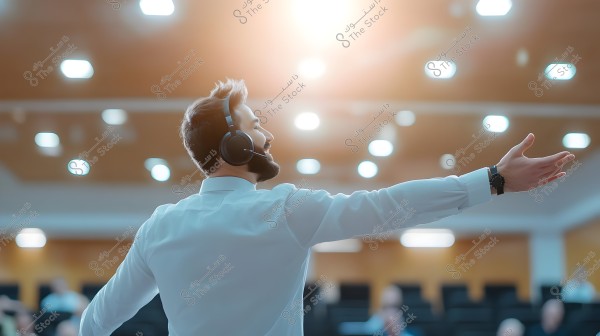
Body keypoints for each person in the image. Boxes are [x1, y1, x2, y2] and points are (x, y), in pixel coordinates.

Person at [79, 78, 576, 335]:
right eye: (255, 125)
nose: (267, 133)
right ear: (232, 147)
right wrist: (490, 181)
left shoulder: (159, 227)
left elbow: (95, 324)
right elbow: (390, 206)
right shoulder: (287, 210)